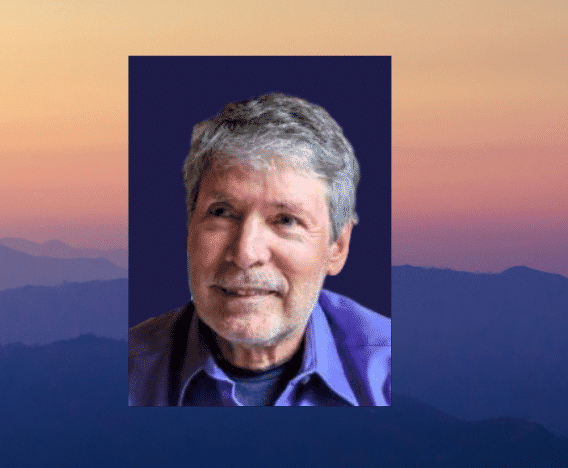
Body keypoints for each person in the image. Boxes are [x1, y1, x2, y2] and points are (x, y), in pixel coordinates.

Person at [128, 93, 391, 406]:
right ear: (189, 231)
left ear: (338, 247)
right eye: (221, 213)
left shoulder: (392, 372)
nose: (245, 254)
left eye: (286, 220)